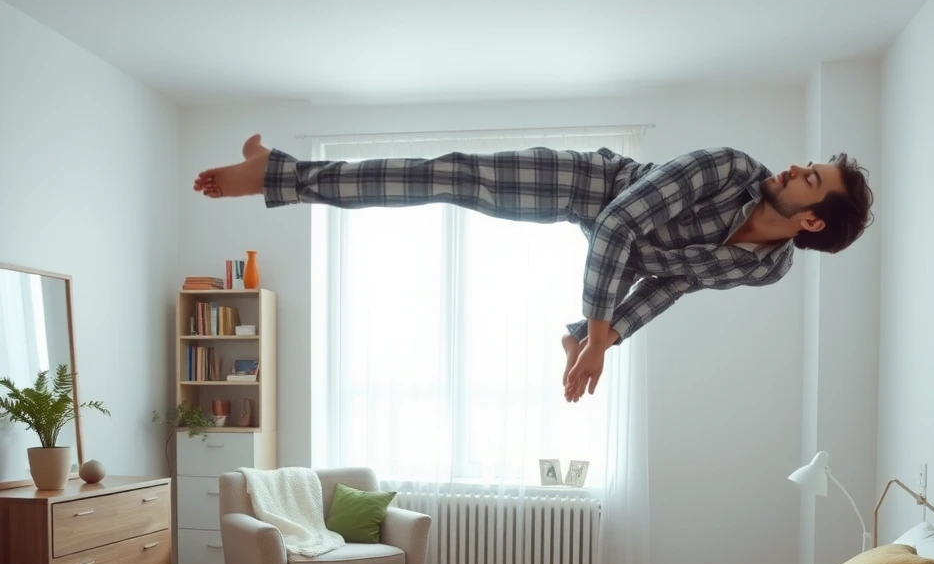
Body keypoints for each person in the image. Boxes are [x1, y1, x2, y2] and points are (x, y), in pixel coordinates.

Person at [194, 135, 873, 403]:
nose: (793, 168)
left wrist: (600, 337)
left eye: (810, 179)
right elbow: (618, 223)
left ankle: (579, 329)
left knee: (609, 309)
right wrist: (600, 335)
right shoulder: (728, 167)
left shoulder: (769, 269)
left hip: (624, 254)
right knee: (447, 176)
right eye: (804, 166)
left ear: (812, 222)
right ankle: (276, 172)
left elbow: (673, 283)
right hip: (586, 184)